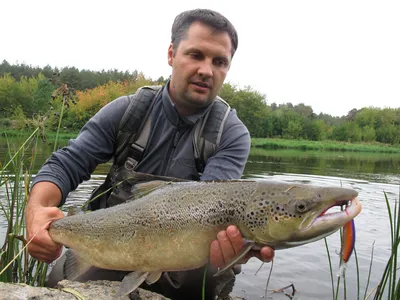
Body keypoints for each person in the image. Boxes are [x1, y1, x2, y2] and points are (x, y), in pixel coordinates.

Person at [25, 8, 274, 300]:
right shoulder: (128, 112)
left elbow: (217, 208)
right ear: (171, 54)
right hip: (115, 241)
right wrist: (37, 210)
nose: (207, 70)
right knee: (60, 284)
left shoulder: (231, 134)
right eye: (196, 55)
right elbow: (66, 164)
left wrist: (236, 247)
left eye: (219, 61)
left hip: (189, 255)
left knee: (208, 273)